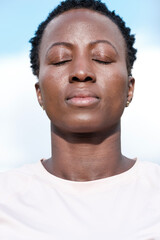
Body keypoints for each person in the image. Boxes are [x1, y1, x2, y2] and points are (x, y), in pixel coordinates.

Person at [0, 0, 160, 239]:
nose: (81, 72)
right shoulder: (5, 199)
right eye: (60, 59)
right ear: (39, 93)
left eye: (102, 58)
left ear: (129, 88)